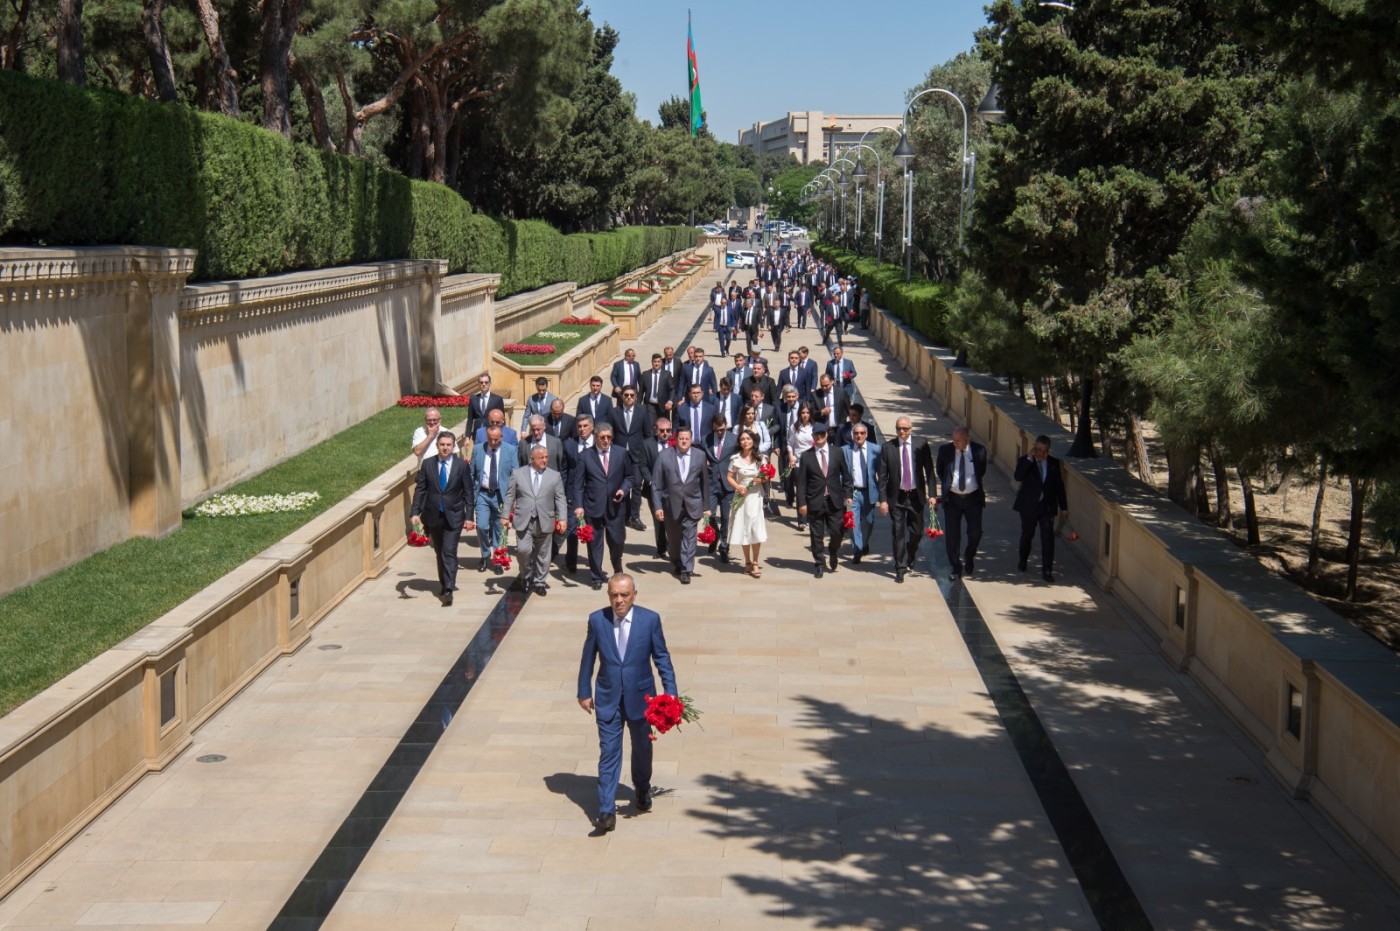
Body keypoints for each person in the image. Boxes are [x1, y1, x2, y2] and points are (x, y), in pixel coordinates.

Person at [577, 573, 676, 832]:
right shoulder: (597, 620)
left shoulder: (649, 620)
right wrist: (583, 691)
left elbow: (662, 658)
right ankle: (606, 810)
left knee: (642, 750)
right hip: (608, 697)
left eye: (624, 595)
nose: (618, 600)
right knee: (609, 752)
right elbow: (588, 658)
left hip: (642, 699)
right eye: (613, 595)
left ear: (634, 594)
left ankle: (642, 789)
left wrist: (671, 693)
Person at [570, 423, 635, 591]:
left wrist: (623, 489)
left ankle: (617, 566)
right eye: (602, 437)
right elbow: (578, 484)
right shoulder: (585, 456)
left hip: (615, 507)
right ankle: (596, 575)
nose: (606, 441)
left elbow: (630, 476)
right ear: (596, 437)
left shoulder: (621, 453)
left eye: (609, 437)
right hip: (593, 506)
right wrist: (578, 506)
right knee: (595, 544)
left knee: (617, 540)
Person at [410, 432, 473, 605]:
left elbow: (468, 492)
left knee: (449, 551)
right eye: (442, 444)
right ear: (437, 446)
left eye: (448, 445)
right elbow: (420, 490)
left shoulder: (461, 466)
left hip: (454, 516)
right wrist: (415, 513)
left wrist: (469, 516)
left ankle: (449, 589)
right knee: (439, 552)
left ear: (453, 447)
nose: (445, 447)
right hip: (433, 516)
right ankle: (444, 583)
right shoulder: (428, 464)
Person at [502, 445, 568, 595]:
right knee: (523, 550)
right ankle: (525, 576)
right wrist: (505, 515)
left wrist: (562, 518)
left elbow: (560, 498)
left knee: (543, 554)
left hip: (545, 519)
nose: (545, 460)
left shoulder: (554, 476)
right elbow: (510, 496)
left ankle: (539, 581)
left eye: (546, 457)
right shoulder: (518, 474)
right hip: (524, 519)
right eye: (541, 458)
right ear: (532, 459)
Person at [651, 425, 712, 584]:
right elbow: (656, 484)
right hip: (671, 505)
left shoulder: (700, 456)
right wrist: (658, 507)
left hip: (693, 503)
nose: (684, 441)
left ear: (691, 440)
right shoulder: (664, 456)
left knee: (689, 538)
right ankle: (677, 561)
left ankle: (686, 569)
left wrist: (706, 507)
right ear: (675, 439)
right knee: (674, 538)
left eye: (687, 439)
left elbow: (705, 483)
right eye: (681, 438)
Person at [878, 417, 936, 583]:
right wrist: (882, 500)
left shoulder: (921, 444)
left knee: (917, 531)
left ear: (911, 429)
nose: (901, 432)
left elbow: (930, 471)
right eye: (898, 429)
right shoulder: (888, 448)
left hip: (916, 497)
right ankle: (900, 567)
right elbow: (882, 477)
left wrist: (932, 494)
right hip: (897, 497)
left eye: (904, 429)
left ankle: (911, 553)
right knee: (898, 532)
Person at [795, 424, 852, 578]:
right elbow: (801, 483)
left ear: (826, 435)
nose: (819, 437)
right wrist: (802, 503)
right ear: (813, 436)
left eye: (822, 434)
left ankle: (833, 552)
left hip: (835, 500)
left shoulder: (837, 452)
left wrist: (848, 494)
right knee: (816, 535)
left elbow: (846, 476)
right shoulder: (807, 456)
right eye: (816, 434)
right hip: (815, 501)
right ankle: (819, 563)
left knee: (837, 532)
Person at [1014, 434, 1069, 583]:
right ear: (1034, 448)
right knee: (1027, 535)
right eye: (1038, 449)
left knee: (1048, 539)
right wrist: (1029, 459)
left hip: (1046, 507)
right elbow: (1018, 476)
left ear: (1048, 450)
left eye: (1044, 450)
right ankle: (1023, 560)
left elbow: (1059, 486)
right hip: (1028, 506)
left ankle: (1047, 570)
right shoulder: (1026, 461)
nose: (1040, 453)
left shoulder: (1053, 464)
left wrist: (1064, 507)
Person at [936, 426, 989, 579]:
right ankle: (956, 567)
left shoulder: (979, 451)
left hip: (973, 499)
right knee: (952, 537)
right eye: (953, 439)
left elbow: (982, 470)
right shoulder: (945, 451)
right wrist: (949, 485)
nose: (955, 442)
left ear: (967, 440)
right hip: (952, 499)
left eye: (958, 440)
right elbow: (941, 471)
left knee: (975, 533)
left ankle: (969, 555)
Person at [469, 424, 517, 574]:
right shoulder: (478, 449)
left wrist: (513, 498)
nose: (494, 442)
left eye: (496, 439)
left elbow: (515, 474)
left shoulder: (510, 450)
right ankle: (485, 554)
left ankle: (498, 558)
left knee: (499, 529)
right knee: (482, 526)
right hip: (482, 493)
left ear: (501, 437)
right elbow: (471, 473)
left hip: (501, 495)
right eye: (491, 439)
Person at [727, 428, 770, 577]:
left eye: (748, 439)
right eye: (743, 439)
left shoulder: (761, 458)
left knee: (754, 528)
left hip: (755, 496)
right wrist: (738, 487)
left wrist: (762, 479)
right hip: (741, 497)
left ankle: (756, 562)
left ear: (753, 441)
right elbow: (730, 477)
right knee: (744, 528)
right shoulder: (735, 458)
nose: (746, 441)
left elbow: (766, 476)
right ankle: (747, 561)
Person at [609, 387, 652, 530]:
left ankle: (635, 517)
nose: (629, 397)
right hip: (620, 455)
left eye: (631, 395)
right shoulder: (614, 412)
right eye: (626, 395)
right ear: (621, 396)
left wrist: (646, 454)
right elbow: (610, 435)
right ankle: (624, 516)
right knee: (622, 486)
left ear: (636, 397)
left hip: (637, 455)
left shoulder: (642, 411)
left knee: (637, 485)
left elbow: (647, 435)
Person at [843, 423, 882, 564]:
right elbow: (841, 473)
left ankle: (864, 543)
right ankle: (857, 549)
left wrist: (883, 496)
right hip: (853, 493)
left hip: (869, 492)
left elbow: (881, 474)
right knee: (853, 523)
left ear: (866, 434)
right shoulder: (845, 451)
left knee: (868, 522)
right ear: (852, 435)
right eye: (856, 433)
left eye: (861, 433)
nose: (859, 436)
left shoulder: (876, 449)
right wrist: (845, 493)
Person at [702, 413, 738, 563]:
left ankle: (724, 547)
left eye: (722, 429)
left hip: (728, 484)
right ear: (713, 427)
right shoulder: (706, 440)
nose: (720, 433)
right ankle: (714, 535)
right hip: (711, 483)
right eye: (717, 430)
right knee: (707, 514)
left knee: (726, 518)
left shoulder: (733, 440)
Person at [786, 403, 816, 529]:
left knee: (811, 490)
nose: (805, 415)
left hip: (813, 462)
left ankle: (810, 517)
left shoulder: (814, 427)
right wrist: (791, 457)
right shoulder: (794, 427)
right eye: (803, 413)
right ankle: (801, 520)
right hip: (798, 462)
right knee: (800, 490)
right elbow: (790, 443)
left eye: (807, 413)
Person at [468, 373, 505, 438]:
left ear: (490, 383)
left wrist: (502, 434)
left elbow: (502, 419)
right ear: (478, 384)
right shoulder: (473, 399)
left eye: (486, 382)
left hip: (492, 433)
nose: (484, 384)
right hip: (477, 434)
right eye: (481, 382)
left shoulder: (497, 399)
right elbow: (470, 419)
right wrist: (467, 436)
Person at [640, 353, 675, 419]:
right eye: (655, 362)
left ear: (661, 362)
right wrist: (638, 405)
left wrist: (670, 401)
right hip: (649, 405)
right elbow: (641, 391)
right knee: (650, 425)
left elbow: (672, 389)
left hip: (663, 406)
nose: (656, 364)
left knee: (663, 425)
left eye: (658, 362)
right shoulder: (645, 374)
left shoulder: (667, 374)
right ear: (652, 362)